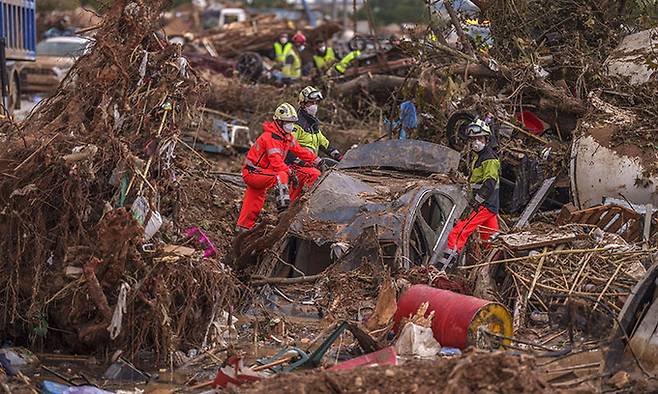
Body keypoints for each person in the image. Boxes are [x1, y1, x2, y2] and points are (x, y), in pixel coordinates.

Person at [236, 103, 321, 232]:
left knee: (253, 204)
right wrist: (290, 172)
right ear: (279, 122)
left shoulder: (286, 137)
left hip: (263, 173)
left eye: (292, 122)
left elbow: (301, 151)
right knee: (281, 175)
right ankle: (283, 210)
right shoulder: (270, 138)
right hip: (254, 173)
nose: (291, 125)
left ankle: (243, 228)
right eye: (288, 122)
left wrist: (317, 160)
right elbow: (277, 163)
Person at [439, 119, 500, 268]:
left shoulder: (489, 158)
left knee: (458, 232)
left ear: (487, 139)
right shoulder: (477, 157)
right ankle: (495, 269)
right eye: (473, 139)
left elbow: (489, 184)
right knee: (491, 240)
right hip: (489, 205)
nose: (476, 142)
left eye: (480, 139)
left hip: (484, 204)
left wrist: (475, 202)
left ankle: (442, 269)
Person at [286, 86, 342, 200]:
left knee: (333, 168)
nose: (314, 106)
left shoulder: (313, 125)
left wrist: (338, 156)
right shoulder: (297, 124)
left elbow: (324, 143)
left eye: (316, 103)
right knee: (310, 180)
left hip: (312, 163)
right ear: (302, 104)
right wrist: (302, 163)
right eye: (311, 103)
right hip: (297, 165)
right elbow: (287, 147)